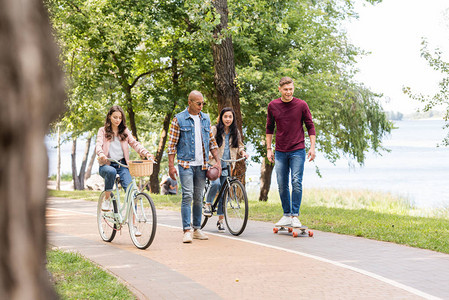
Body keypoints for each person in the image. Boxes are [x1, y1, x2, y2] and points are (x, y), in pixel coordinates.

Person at [167, 90, 221, 243]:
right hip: (185, 165)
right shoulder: (179, 119)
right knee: (187, 195)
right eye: (198, 103)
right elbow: (171, 146)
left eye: (203, 103)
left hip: (202, 165)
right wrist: (171, 167)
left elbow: (212, 142)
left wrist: (218, 161)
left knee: (198, 198)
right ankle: (186, 230)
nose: (201, 106)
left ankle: (197, 229)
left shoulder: (205, 119)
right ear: (189, 102)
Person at [95, 105, 155, 235]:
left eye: (120, 118)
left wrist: (146, 153)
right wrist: (101, 154)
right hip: (107, 164)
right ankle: (106, 199)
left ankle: (133, 226)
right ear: (109, 117)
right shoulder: (103, 131)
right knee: (110, 172)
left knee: (132, 193)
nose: (117, 120)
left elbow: (135, 143)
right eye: (115, 117)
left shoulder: (125, 131)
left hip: (122, 165)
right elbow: (98, 144)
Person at [266, 77, 316, 228]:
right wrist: (269, 149)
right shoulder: (273, 105)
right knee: (282, 184)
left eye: (291, 89)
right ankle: (286, 215)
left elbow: (310, 126)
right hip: (280, 151)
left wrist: (312, 147)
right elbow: (269, 128)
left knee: (296, 182)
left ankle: (295, 215)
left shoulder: (301, 105)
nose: (288, 92)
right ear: (280, 89)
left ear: (293, 89)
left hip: (297, 150)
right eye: (285, 89)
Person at [203, 107, 249, 232]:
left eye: (230, 117)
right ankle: (207, 204)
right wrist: (209, 153)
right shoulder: (215, 129)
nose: (228, 119)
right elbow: (207, 143)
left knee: (224, 193)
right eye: (225, 116)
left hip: (228, 165)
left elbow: (240, 146)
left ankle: (221, 221)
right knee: (216, 183)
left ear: (233, 118)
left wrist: (243, 153)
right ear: (221, 118)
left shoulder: (236, 132)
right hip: (214, 164)